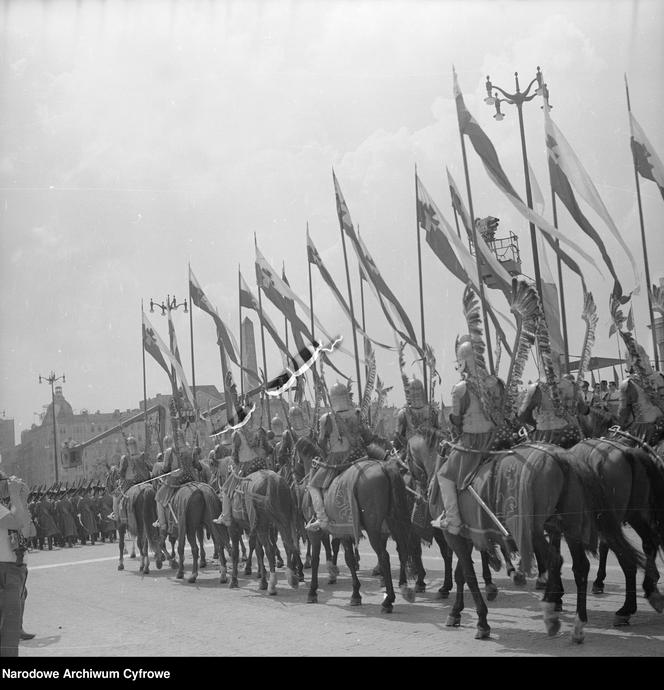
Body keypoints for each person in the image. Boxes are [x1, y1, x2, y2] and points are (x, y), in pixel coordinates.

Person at [431, 337, 503, 534]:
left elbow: (456, 419)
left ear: (461, 361)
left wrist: (453, 424)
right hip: (497, 440)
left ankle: (453, 521)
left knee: (443, 475)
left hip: (472, 443)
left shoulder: (461, 388)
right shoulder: (495, 383)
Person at [306, 381, 387, 532]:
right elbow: (368, 437)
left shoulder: (326, 418)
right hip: (361, 456)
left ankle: (322, 519)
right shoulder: (357, 414)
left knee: (312, 485)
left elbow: (322, 444)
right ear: (346, 397)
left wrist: (318, 439)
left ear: (332, 398)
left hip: (338, 460)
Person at [213, 408, 273, 526]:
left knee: (225, 490)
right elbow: (269, 449)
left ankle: (226, 518)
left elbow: (235, 455)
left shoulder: (237, 434)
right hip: (262, 464)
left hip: (245, 467)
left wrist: (234, 464)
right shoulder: (259, 430)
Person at [0, 471, 31, 656]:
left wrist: (20, 499)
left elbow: (27, 530)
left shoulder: (5, 507)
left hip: (12, 570)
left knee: (8, 633)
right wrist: (14, 495)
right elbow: (19, 522)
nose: (9, 484)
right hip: (5, 571)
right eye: (6, 482)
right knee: (8, 633)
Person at [518, 373, 588, 448]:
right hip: (571, 434)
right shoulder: (573, 385)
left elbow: (522, 416)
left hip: (545, 437)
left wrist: (535, 424)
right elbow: (584, 410)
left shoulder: (536, 387)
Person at [154, 431, 202, 535]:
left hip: (176, 481)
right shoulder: (191, 448)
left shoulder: (169, 451)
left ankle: (162, 525)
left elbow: (165, 469)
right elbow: (198, 466)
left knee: (159, 497)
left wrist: (162, 472)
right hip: (192, 479)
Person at [392, 377, 439, 460]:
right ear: (409, 392)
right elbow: (398, 437)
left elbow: (438, 431)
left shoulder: (432, 412)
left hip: (431, 452)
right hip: (411, 455)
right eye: (413, 390)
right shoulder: (403, 413)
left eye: (418, 389)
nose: (416, 392)